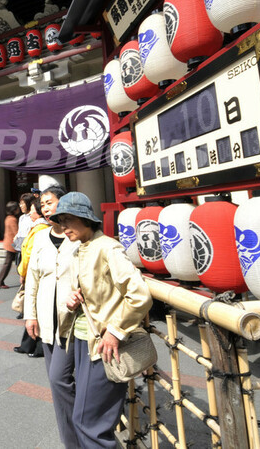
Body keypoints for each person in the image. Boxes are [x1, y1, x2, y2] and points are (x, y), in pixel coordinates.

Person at [56, 192, 152, 449]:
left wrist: (116, 331)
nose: (63, 227)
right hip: (83, 340)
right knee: (86, 418)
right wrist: (76, 298)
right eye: (60, 221)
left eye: (68, 220)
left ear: (85, 219)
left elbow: (140, 295)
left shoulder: (108, 247)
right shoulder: (82, 247)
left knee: (90, 422)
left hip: (103, 345)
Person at [22, 185, 80, 447]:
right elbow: (32, 279)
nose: (45, 208)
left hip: (75, 321)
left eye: (50, 202)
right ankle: (71, 439)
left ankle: (83, 432)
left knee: (60, 380)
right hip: (46, 321)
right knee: (58, 385)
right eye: (42, 204)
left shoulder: (79, 235)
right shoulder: (41, 238)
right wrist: (29, 315)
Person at [14, 196, 49, 357]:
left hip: (33, 273)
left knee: (37, 309)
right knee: (33, 309)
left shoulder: (40, 228)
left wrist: (23, 272)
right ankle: (28, 345)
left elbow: (29, 254)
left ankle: (38, 346)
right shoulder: (36, 226)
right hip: (31, 271)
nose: (30, 212)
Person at [0, 201, 19, 289]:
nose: (18, 209)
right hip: (11, 245)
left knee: (8, 263)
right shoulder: (12, 219)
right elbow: (16, 233)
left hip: (9, 244)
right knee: (7, 264)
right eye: (17, 208)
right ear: (14, 209)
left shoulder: (8, 218)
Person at [14, 193, 35, 265]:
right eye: (20, 203)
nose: (20, 206)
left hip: (29, 248)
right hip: (20, 247)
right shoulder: (22, 218)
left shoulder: (34, 217)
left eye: (23, 203)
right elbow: (20, 232)